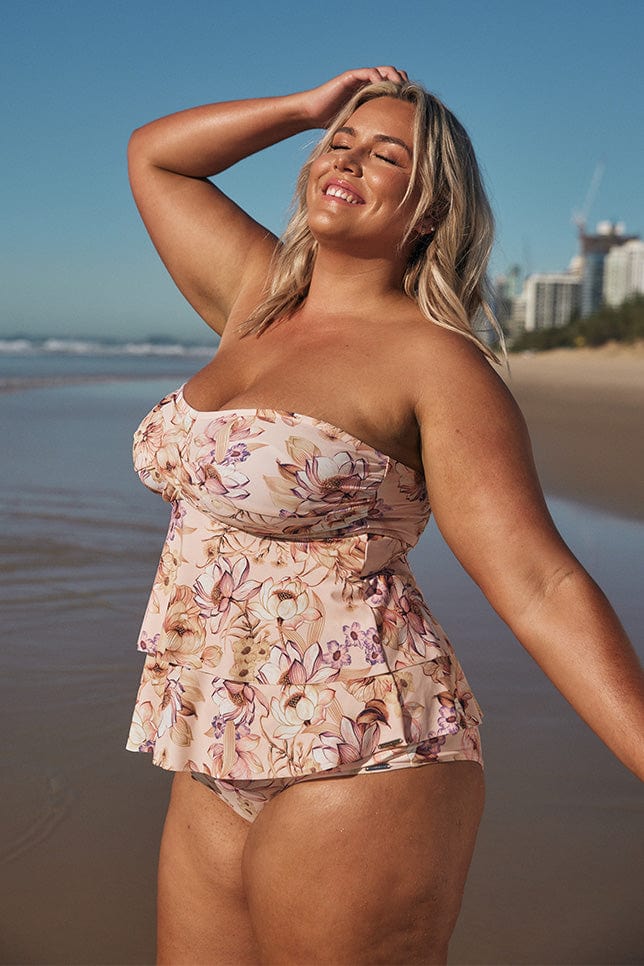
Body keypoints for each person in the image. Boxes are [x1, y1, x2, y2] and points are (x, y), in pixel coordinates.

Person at [125, 67, 644, 965]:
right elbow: (157, 159)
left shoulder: (439, 365)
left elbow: (538, 580)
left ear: (432, 208)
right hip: (215, 735)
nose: (349, 160)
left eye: (386, 156)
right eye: (341, 146)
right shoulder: (255, 302)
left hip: (366, 742)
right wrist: (307, 108)